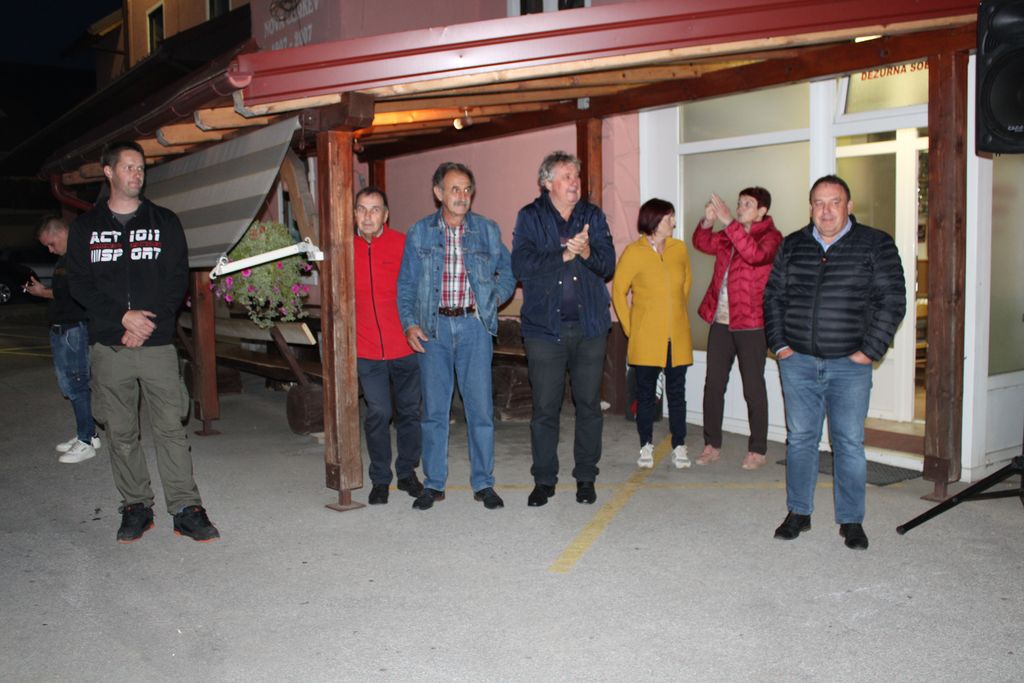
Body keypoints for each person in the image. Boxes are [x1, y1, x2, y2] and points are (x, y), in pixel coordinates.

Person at [66, 140, 219, 544]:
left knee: (171, 428)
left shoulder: (164, 221)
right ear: (109, 172)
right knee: (120, 432)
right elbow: (80, 284)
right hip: (110, 346)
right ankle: (136, 505)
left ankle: (186, 508)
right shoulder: (85, 228)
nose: (137, 174)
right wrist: (122, 318)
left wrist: (147, 324)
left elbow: (176, 279)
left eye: (141, 168)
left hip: (156, 343)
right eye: (129, 167)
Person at [763, 174, 905, 551]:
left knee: (848, 443)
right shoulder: (793, 245)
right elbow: (773, 297)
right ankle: (799, 512)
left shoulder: (875, 244)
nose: (826, 211)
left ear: (849, 206)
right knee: (800, 440)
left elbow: (892, 301)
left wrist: (869, 350)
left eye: (835, 202)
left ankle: (851, 520)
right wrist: (780, 345)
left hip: (849, 365)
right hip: (798, 362)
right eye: (819, 203)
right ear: (811, 208)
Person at [396, 162, 515, 511]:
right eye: (454, 189)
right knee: (434, 411)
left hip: (474, 328)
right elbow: (406, 284)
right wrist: (409, 324)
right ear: (438, 193)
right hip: (433, 330)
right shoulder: (419, 233)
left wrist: (490, 299)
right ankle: (433, 484)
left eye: (467, 189)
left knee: (480, 410)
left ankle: (484, 483)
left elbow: (508, 273)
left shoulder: (488, 230)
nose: (462, 196)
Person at [511, 151, 615, 507]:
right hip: (544, 330)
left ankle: (586, 477)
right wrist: (564, 255)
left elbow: (608, 265)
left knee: (588, 406)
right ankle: (544, 480)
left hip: (590, 328)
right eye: (567, 176)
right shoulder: (530, 216)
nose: (575, 183)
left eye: (576, 176)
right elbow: (520, 265)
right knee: (545, 408)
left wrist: (585, 252)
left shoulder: (592, 216)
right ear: (547, 182)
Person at [692, 188, 782, 470]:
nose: (740, 207)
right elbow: (702, 243)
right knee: (713, 385)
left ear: (762, 211)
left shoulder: (771, 237)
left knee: (753, 387)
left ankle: (757, 449)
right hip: (721, 321)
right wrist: (708, 221)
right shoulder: (729, 235)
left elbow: (754, 255)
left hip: (751, 323)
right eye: (739, 203)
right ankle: (711, 444)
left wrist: (729, 222)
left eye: (747, 204)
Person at [353, 186, 424, 505]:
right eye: (362, 209)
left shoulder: (403, 245)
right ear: (354, 214)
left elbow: (420, 289)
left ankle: (407, 472)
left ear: (386, 214)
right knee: (379, 412)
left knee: (409, 412)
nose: (368, 216)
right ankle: (380, 478)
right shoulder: (344, 250)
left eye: (375, 209)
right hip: (367, 349)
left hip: (405, 347)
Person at [612, 198, 693, 470]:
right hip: (646, 337)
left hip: (677, 336)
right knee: (646, 395)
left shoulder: (679, 249)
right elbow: (619, 291)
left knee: (677, 394)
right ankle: (645, 444)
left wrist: (676, 313)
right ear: (655, 222)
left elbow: (686, 283)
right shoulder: (633, 253)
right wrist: (630, 328)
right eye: (669, 218)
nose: (674, 223)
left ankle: (679, 445)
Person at [25, 216, 102, 464]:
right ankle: (89, 433)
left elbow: (69, 293)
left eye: (51, 243)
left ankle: (86, 441)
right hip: (63, 328)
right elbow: (62, 292)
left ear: (60, 233)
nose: (50, 249)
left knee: (77, 385)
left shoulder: (80, 256)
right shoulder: (64, 258)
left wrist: (41, 292)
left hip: (73, 329)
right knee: (70, 384)